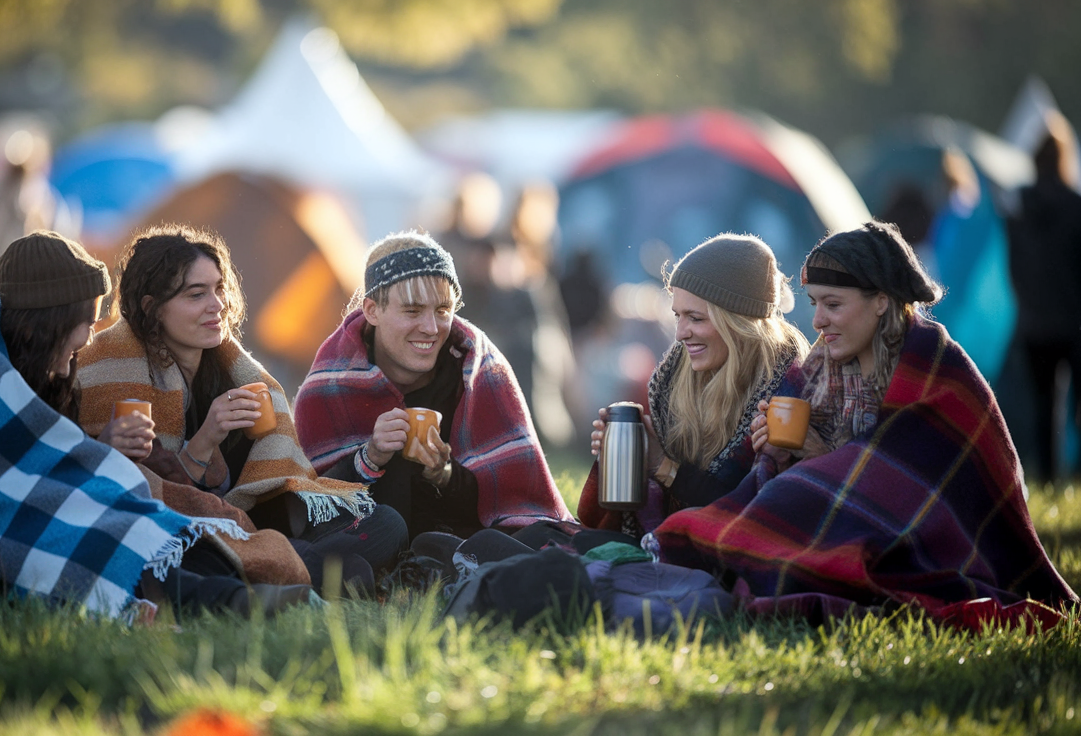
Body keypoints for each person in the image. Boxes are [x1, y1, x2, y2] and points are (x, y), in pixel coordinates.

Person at [0, 231, 311, 620]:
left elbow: (43, 460)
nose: (78, 353)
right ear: (49, 324)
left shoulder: (24, 365)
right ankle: (224, 598)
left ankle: (232, 586)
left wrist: (102, 449)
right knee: (97, 533)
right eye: (79, 333)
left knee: (125, 516)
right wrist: (106, 457)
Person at [657, 221, 1077, 619]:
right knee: (784, 508)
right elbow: (829, 483)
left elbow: (906, 487)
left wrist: (821, 465)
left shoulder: (938, 372)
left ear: (880, 301)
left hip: (933, 546)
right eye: (814, 304)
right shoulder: (821, 369)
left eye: (833, 305)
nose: (817, 321)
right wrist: (783, 458)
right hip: (852, 533)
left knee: (791, 518)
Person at [76, 225, 408, 591]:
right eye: (196, 294)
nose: (217, 305)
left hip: (248, 523)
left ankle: (296, 571)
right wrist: (206, 439)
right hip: (186, 535)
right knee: (344, 563)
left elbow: (268, 489)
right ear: (151, 307)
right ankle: (296, 572)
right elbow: (152, 497)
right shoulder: (112, 373)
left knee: (387, 524)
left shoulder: (232, 373)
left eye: (218, 289)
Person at [293, 230, 574, 543]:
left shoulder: (477, 371)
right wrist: (369, 457)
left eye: (442, 311)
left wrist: (445, 473)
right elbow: (305, 508)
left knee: (533, 541)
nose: (430, 328)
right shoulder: (330, 386)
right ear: (372, 311)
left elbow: (507, 501)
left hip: (456, 541)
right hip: (370, 540)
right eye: (412, 311)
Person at [577, 234, 809, 539]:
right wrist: (630, 452)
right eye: (678, 316)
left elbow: (749, 519)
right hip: (668, 540)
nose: (680, 334)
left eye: (695, 318)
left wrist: (662, 464)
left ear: (739, 323)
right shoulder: (675, 377)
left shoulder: (789, 391)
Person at [1007, 112, 1081, 482]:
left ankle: (1050, 478)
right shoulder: (1076, 206)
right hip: (1073, 321)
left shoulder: (1018, 207)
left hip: (1034, 322)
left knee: (1044, 408)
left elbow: (1015, 268)